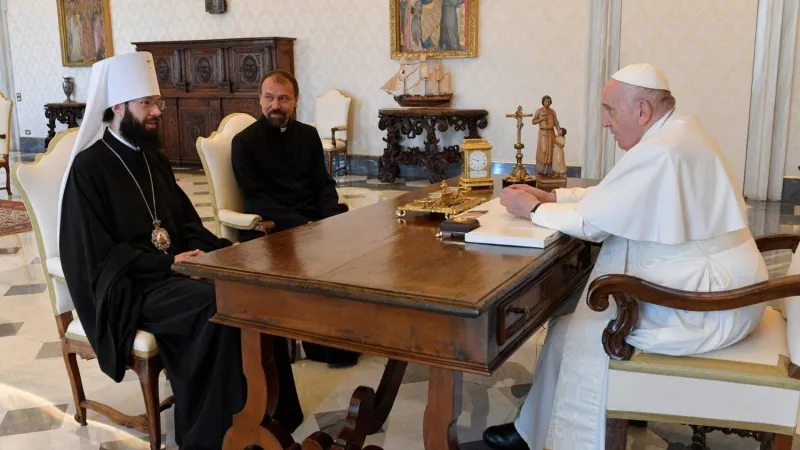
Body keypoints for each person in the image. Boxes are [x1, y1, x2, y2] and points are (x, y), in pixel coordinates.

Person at [483, 63, 767, 450]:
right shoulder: (677, 129)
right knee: (576, 312)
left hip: (711, 306)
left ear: (642, 111)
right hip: (723, 286)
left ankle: (538, 433)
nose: (604, 122)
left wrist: (530, 211)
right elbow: (619, 198)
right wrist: (554, 197)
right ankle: (536, 425)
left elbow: (594, 224)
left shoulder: (662, 149)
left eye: (609, 110)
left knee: (576, 327)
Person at [57, 52, 303, 449]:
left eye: (158, 103)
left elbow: (186, 223)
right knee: (216, 304)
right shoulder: (88, 169)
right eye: (147, 104)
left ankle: (269, 412)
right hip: (131, 286)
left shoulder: (152, 157)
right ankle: (214, 435)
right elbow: (96, 256)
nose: (157, 112)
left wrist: (222, 253)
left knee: (250, 281)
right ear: (118, 107)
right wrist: (166, 262)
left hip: (172, 269)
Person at [231, 70, 360, 368]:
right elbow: (256, 199)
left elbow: (323, 183)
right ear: (260, 99)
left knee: (354, 252)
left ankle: (343, 340)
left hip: (314, 222)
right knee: (317, 259)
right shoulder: (245, 142)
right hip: (273, 227)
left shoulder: (308, 134)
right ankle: (320, 343)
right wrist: (303, 226)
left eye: (283, 98)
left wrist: (329, 220)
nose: (275, 105)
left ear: (296, 100)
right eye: (269, 97)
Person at [531, 95, 561, 177]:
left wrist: (559, 130)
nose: (547, 103)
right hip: (543, 133)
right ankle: (541, 170)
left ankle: (550, 170)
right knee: (543, 151)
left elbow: (556, 122)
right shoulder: (539, 111)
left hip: (551, 133)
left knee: (551, 151)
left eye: (549, 101)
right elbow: (533, 121)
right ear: (543, 102)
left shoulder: (552, 111)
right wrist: (541, 119)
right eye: (546, 101)